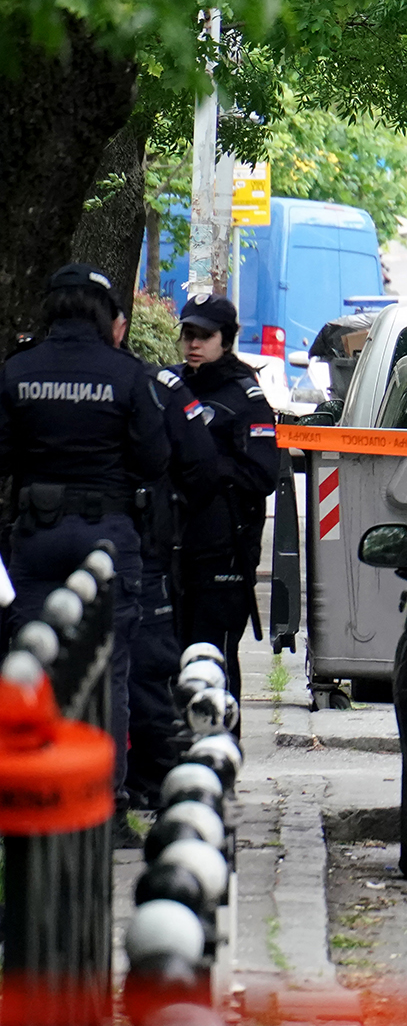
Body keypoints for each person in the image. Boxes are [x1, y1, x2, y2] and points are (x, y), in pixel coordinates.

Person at [0, 264, 172, 797]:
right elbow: (154, 458)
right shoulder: (128, 374)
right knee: (110, 667)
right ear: (104, 314)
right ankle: (105, 799)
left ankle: (36, 791)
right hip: (107, 536)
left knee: (34, 659)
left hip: (37, 532)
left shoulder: (17, 371)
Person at [172, 295, 281, 721]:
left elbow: (262, 475)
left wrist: (207, 466)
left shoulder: (245, 397)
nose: (193, 344)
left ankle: (218, 751)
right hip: (173, 546)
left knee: (212, 656)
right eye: (188, 335)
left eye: (205, 336)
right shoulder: (170, 387)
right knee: (171, 656)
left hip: (223, 549)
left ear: (227, 339)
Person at [126, 315, 218, 807]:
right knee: (147, 665)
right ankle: (153, 779)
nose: (194, 344)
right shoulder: (154, 384)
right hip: (143, 547)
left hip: (48, 541)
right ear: (119, 327)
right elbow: (199, 462)